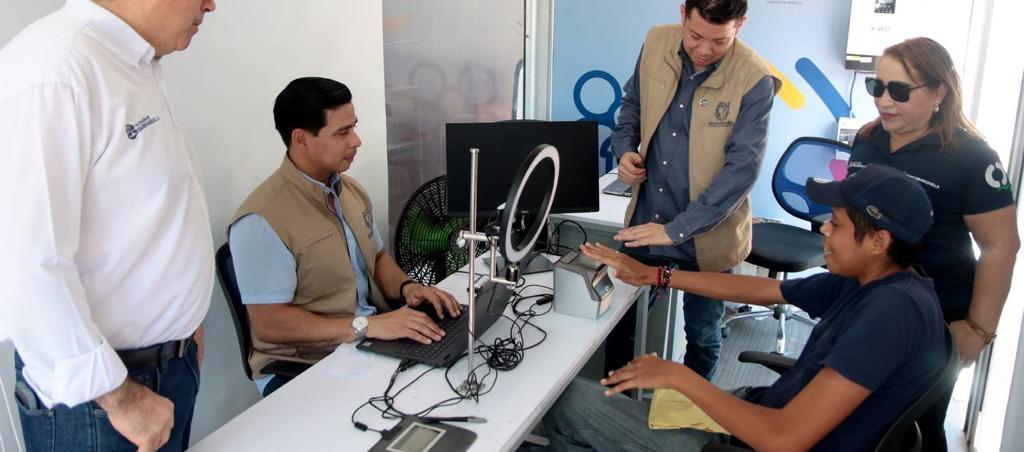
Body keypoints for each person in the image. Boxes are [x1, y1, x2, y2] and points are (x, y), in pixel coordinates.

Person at [541, 164, 948, 451]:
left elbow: (782, 440)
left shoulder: (890, 315)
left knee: (566, 402)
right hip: (758, 410)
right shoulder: (876, 282)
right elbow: (762, 289)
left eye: (837, 224)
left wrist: (679, 376)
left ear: (878, 241)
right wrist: (657, 276)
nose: (824, 229)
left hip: (758, 438)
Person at [0, 1, 218, 451]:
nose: (211, 4)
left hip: (166, 370)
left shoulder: (130, 65)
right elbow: (24, 265)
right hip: (102, 401)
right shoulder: (55, 70)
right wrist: (121, 398)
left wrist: (185, 329)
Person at [227, 77, 461, 396]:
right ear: (301, 139)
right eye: (342, 132)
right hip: (306, 364)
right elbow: (270, 323)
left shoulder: (350, 191)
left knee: (453, 371)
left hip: (367, 339)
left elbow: (377, 257)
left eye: (354, 127)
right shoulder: (261, 220)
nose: (356, 141)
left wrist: (409, 288)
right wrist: (366, 326)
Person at [848, 37, 1020, 451]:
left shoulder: (972, 157)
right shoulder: (868, 139)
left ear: (939, 91)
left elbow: (1001, 246)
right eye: (877, 87)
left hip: (931, 316)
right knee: (854, 420)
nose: (883, 100)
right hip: (863, 304)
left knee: (914, 431)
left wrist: (978, 330)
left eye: (899, 90)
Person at [606, 0, 780, 380]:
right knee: (620, 323)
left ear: (740, 25)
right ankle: (616, 402)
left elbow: (742, 171)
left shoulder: (755, 79)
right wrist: (625, 149)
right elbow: (632, 106)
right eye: (696, 35)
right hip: (647, 220)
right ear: (683, 13)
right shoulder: (656, 42)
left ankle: (691, 409)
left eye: (719, 41)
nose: (703, 50)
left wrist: (677, 230)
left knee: (702, 335)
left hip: (708, 234)